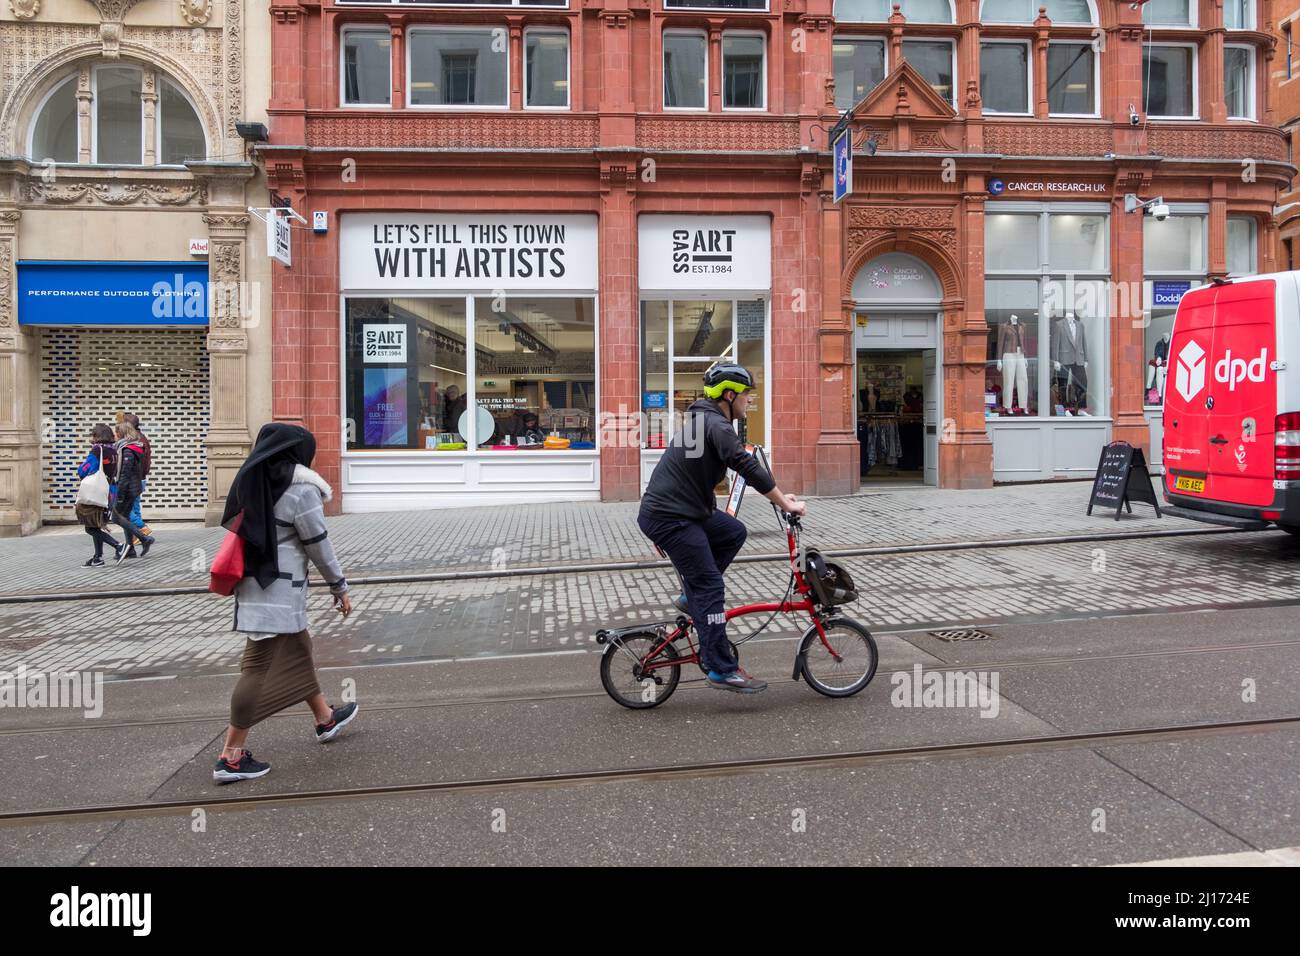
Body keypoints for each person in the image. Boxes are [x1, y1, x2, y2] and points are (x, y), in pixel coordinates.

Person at [637, 363, 806, 694]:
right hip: (671, 518)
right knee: (711, 587)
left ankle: (691, 596)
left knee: (733, 532)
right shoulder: (715, 424)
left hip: (688, 512)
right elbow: (746, 466)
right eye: (746, 396)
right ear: (729, 396)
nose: (749, 402)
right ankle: (720, 668)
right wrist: (785, 503)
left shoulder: (707, 420)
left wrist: (780, 498)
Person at [214, 423, 358, 783]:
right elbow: (318, 545)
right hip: (278, 594)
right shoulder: (301, 490)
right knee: (258, 667)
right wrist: (339, 586)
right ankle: (230, 756)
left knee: (299, 649)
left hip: (258, 587)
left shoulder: (255, 481)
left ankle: (324, 718)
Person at [75, 424, 124, 567]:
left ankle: (118, 546)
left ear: (97, 436)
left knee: (90, 527)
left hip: (97, 492)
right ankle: (98, 558)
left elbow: (85, 470)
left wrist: (81, 469)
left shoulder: (97, 450)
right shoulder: (114, 450)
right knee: (96, 524)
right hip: (110, 491)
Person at [110, 421, 156, 562]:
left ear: (121, 433)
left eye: (116, 433)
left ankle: (143, 538)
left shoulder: (127, 450)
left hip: (127, 490)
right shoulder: (133, 447)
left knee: (116, 518)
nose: (115, 436)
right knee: (126, 518)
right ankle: (130, 549)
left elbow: (125, 474)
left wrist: (120, 495)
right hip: (133, 488)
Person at [120, 412, 152, 556]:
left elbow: (129, 468)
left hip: (135, 479)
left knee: (124, 512)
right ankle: (135, 538)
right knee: (135, 508)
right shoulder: (142, 438)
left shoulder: (132, 443)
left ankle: (142, 530)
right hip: (140, 478)